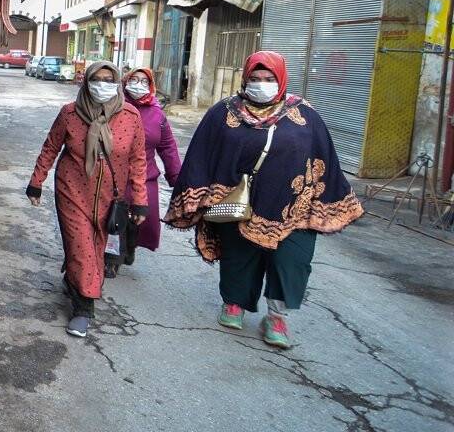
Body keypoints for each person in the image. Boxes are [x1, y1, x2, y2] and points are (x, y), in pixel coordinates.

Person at [165, 51, 363, 349]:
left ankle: (276, 316)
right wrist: (197, 194)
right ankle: (234, 303)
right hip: (238, 201)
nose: (261, 84)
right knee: (238, 256)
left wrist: (329, 199)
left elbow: (326, 159)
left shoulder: (305, 115)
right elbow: (201, 155)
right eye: (255, 79)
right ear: (245, 79)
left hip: (293, 206)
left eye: (269, 79)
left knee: (292, 261)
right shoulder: (224, 112)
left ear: (281, 79)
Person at [27, 61, 148, 338]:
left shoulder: (130, 116)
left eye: (109, 79)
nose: (102, 84)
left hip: (110, 196)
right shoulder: (70, 113)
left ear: (117, 82)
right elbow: (50, 148)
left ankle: (75, 279)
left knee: (95, 247)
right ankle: (84, 308)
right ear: (86, 81)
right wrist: (36, 182)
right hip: (72, 190)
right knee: (81, 244)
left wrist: (140, 198)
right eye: (97, 78)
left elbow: (138, 159)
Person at [105, 68, 182, 278]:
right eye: (134, 80)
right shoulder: (113, 106)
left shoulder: (157, 114)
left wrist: (177, 177)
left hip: (145, 177)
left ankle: (130, 248)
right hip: (114, 175)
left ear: (151, 87)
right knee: (113, 217)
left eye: (143, 82)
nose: (138, 85)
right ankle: (112, 259)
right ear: (125, 82)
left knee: (139, 220)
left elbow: (168, 147)